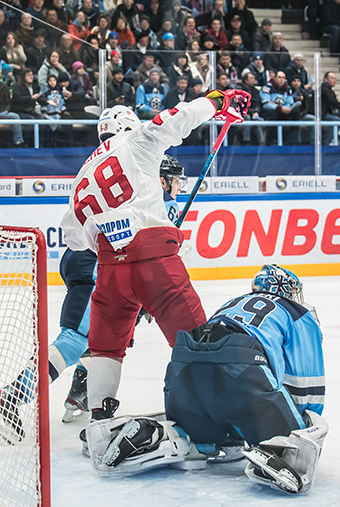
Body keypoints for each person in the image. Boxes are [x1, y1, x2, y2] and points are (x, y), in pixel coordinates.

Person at [60, 90, 251, 424]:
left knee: (106, 348)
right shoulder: (136, 140)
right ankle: (219, 412)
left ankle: (99, 420)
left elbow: (73, 236)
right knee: (195, 339)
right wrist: (217, 101)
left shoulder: (84, 170)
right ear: (130, 124)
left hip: (108, 270)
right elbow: (176, 118)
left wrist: (113, 239)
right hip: (154, 261)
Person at [0, 156, 191, 443]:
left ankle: (78, 394)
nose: (180, 186)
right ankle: (10, 397)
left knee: (109, 336)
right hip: (97, 265)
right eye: (176, 180)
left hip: (93, 261)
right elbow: (145, 248)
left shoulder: (144, 193)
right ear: (162, 180)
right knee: (78, 338)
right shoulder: (155, 199)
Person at [86, 265, 329, 495]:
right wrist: (300, 428)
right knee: (287, 440)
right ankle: (276, 448)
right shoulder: (297, 312)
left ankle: (160, 434)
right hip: (241, 365)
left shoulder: (231, 303)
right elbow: (307, 383)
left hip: (184, 365)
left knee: (206, 439)